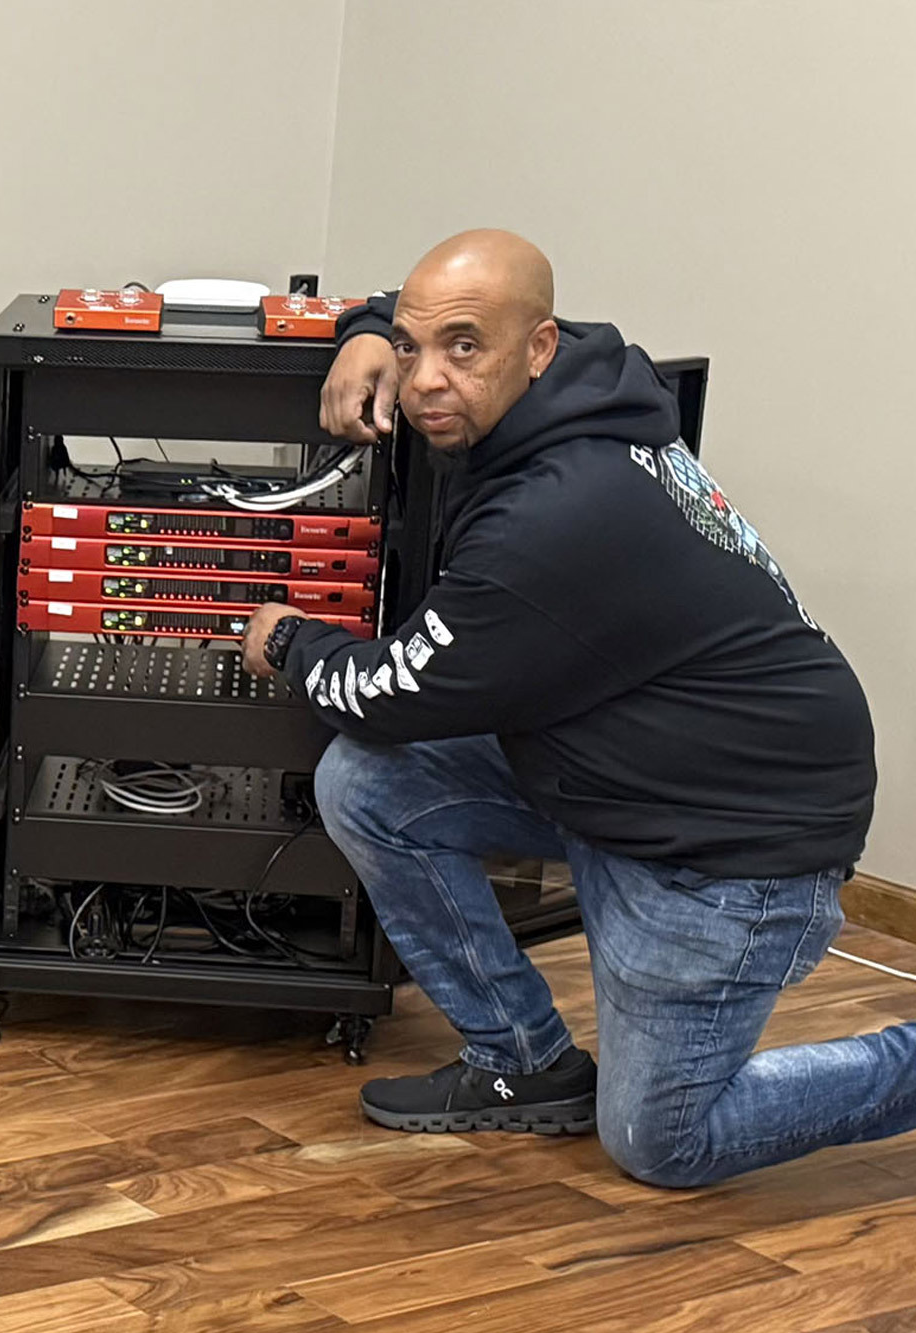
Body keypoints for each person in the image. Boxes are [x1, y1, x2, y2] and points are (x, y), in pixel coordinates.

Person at [241, 229, 885, 1188]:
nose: (424, 382)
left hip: (734, 847)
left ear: (536, 351)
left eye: (463, 350)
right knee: (372, 787)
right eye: (416, 353)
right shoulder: (581, 373)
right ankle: (522, 1063)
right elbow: (445, 308)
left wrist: (290, 640)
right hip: (627, 773)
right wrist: (373, 330)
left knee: (662, 1143)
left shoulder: (554, 517)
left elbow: (390, 692)